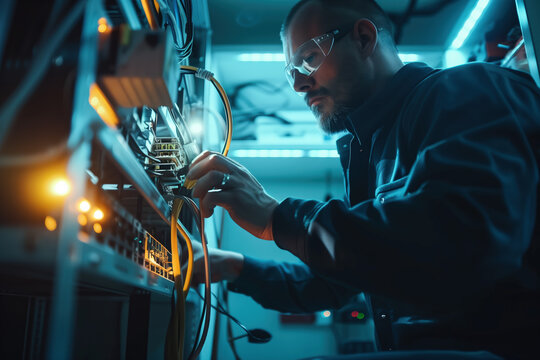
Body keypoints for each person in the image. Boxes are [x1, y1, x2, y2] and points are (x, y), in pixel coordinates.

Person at [185, 0, 540, 359]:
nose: (298, 84)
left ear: (364, 38)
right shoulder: (369, 150)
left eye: (308, 58)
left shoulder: (467, 90)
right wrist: (230, 266)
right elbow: (337, 284)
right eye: (291, 71)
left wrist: (279, 217)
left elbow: (465, 240)